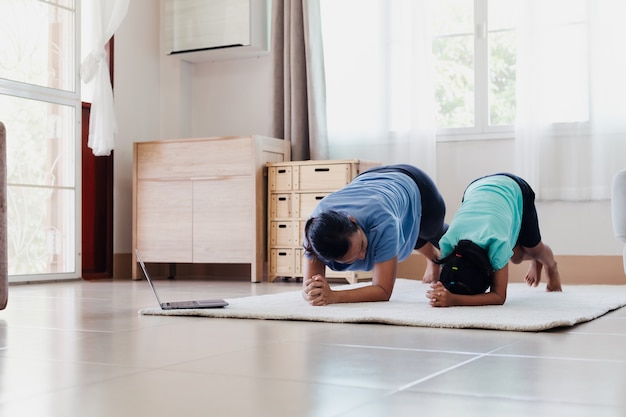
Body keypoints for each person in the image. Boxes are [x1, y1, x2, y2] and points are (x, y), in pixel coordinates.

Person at [302, 164, 447, 306]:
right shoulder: (316, 233)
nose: (363, 256)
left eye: (362, 246)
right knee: (406, 232)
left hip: (415, 183)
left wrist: (334, 296)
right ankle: (433, 259)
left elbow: (383, 291)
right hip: (373, 184)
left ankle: (436, 256)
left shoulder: (383, 221)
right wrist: (312, 291)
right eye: (349, 260)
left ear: (353, 220)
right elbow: (308, 288)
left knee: (435, 234)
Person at [427, 173, 562, 308]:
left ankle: (551, 266)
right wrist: (442, 291)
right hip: (475, 188)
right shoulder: (447, 245)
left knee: (534, 250)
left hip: (514, 188)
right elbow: (450, 277)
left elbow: (499, 296)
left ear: (487, 272)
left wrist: (454, 300)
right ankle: (534, 259)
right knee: (516, 258)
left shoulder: (497, 243)